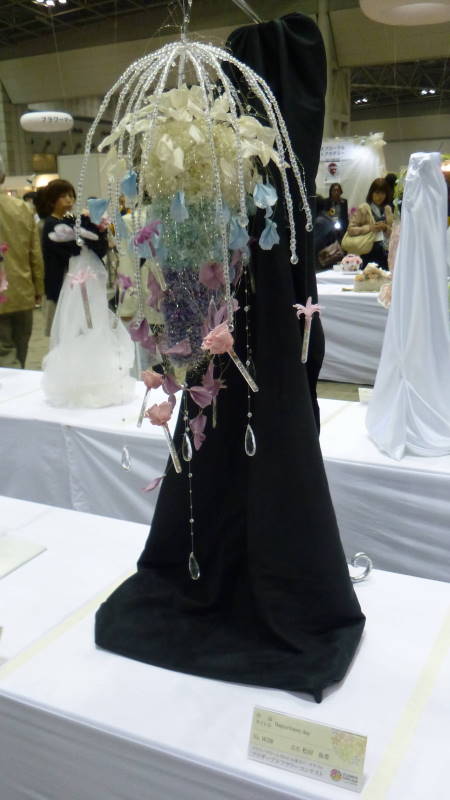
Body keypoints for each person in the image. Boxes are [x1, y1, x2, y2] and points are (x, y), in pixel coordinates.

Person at [37, 179, 108, 335]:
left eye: (71, 195)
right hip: (60, 280)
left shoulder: (69, 220)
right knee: (63, 328)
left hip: (73, 280)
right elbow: (72, 250)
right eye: (63, 196)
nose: (69, 199)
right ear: (52, 200)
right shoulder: (51, 224)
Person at [0, 156, 44, 368]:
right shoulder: (24, 209)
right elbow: (35, 253)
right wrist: (38, 288)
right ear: (3, 177)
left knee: (4, 357)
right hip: (22, 291)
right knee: (20, 350)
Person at [346, 177, 393, 268]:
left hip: (385, 251)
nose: (380, 196)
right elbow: (350, 229)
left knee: (385, 276)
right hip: (368, 251)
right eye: (377, 192)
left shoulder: (387, 209)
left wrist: (385, 228)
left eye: (383, 193)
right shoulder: (364, 208)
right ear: (371, 193)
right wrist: (370, 228)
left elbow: (392, 233)